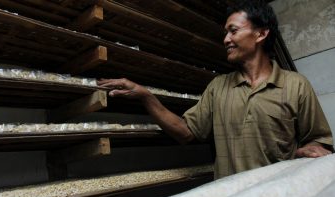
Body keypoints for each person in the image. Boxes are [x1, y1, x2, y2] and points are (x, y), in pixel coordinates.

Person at [97, 0, 333, 179]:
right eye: (225, 33)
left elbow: (320, 143)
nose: (226, 39)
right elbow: (186, 132)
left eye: (233, 30)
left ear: (261, 33)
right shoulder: (218, 87)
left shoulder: (295, 85)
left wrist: (314, 150)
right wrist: (145, 96)